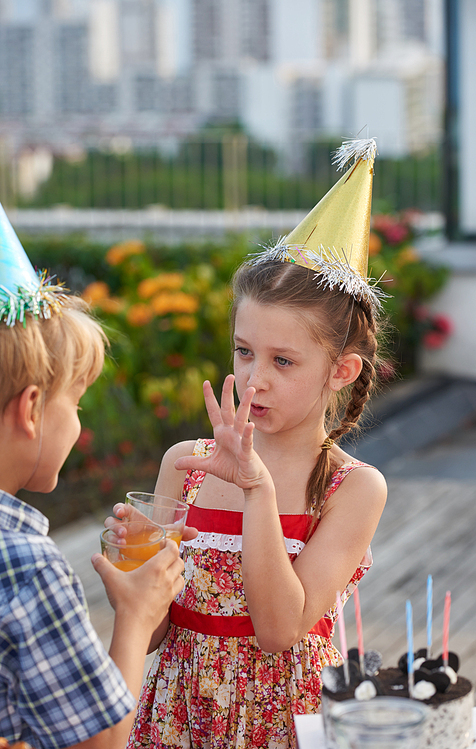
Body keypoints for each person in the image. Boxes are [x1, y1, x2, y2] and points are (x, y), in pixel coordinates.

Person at [111, 138, 388, 749]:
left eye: (283, 360)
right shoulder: (185, 465)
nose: (255, 378)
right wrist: (135, 559)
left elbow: (280, 629)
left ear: (341, 370)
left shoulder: (352, 488)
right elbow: (151, 635)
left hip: (281, 725)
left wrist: (257, 489)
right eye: (244, 351)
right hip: (177, 721)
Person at [0, 203, 193, 749]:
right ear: (32, 408)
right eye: (77, 402)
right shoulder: (25, 565)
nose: (79, 422)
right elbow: (101, 740)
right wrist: (137, 613)